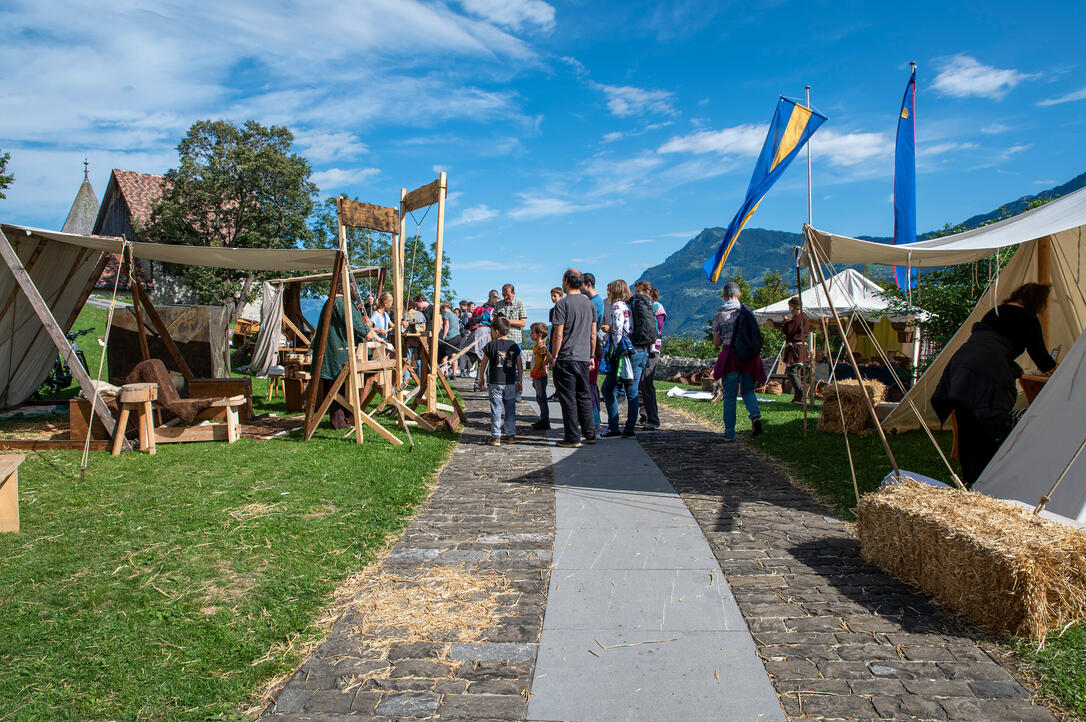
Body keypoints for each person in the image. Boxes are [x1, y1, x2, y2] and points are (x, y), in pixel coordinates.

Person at [931, 282, 1057, 485]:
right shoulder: (1027, 317)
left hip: (962, 366)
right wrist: (1058, 370)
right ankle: (984, 479)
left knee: (967, 421)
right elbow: (1040, 355)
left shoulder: (995, 311)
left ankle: (970, 478)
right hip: (988, 371)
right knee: (986, 423)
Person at [711, 281, 766, 442]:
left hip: (731, 357)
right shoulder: (748, 311)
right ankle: (755, 416)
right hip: (749, 356)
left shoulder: (719, 314)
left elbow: (716, 342)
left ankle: (729, 432)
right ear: (739, 295)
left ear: (724, 296)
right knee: (748, 390)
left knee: (730, 395)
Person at [549, 268, 598, 448]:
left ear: (566, 281)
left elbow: (558, 335)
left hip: (566, 357)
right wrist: (592, 355)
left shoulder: (561, 305)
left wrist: (554, 355)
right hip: (584, 356)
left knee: (568, 398)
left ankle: (572, 437)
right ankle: (590, 433)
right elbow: (593, 334)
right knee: (584, 396)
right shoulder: (590, 304)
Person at [320, 288, 377, 429]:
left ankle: (344, 419)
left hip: (336, 351)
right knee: (345, 386)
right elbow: (357, 325)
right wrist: (369, 333)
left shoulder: (332, 302)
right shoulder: (341, 302)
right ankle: (346, 418)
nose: (356, 292)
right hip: (340, 352)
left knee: (338, 386)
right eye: (353, 289)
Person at [600, 280, 649, 438]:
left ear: (615, 291)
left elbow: (618, 331)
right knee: (632, 392)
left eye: (609, 290)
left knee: (607, 389)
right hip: (641, 351)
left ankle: (614, 427)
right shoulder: (631, 305)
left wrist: (613, 351)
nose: (607, 293)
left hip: (624, 354)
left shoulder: (617, 306)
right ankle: (629, 429)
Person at [477, 316, 521, 446]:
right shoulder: (513, 345)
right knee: (510, 409)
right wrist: (519, 380)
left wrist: (481, 378)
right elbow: (519, 364)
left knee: (496, 409)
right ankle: (511, 434)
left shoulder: (491, 345)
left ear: (496, 331)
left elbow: (483, 363)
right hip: (510, 382)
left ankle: (496, 436)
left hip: (495, 382)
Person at [637, 282, 665, 430]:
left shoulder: (657, 307)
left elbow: (658, 327)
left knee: (646, 381)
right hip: (642, 347)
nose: (637, 294)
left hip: (653, 348)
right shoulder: (639, 305)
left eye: (639, 291)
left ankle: (653, 419)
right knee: (640, 383)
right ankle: (644, 416)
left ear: (647, 291)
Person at [583, 273, 606, 434]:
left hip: (591, 345)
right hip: (594, 344)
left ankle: (594, 423)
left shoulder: (594, 302)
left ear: (589, 284)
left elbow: (592, 328)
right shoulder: (595, 301)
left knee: (590, 387)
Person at [780, 297, 810, 404]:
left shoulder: (798, 318)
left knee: (792, 372)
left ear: (793, 307)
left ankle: (800, 395)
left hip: (796, 348)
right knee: (795, 371)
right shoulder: (801, 317)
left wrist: (784, 321)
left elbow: (789, 331)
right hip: (799, 348)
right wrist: (789, 320)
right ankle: (798, 396)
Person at [528, 321, 551, 430]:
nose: (530, 335)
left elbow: (549, 357)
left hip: (540, 375)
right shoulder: (537, 346)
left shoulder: (542, 346)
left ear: (539, 335)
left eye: (532, 333)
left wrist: (544, 364)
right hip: (536, 374)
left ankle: (545, 421)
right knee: (539, 398)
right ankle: (543, 419)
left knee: (542, 399)